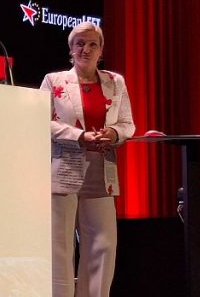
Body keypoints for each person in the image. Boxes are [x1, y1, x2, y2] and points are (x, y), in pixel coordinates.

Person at [40, 21, 134, 297]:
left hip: (101, 170)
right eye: (80, 43)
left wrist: (114, 132)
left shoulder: (115, 82)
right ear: (71, 48)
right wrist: (79, 136)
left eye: (93, 43)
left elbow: (128, 123)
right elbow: (40, 121)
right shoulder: (54, 80)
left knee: (102, 246)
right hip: (64, 169)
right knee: (60, 246)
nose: (86, 48)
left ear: (101, 49)